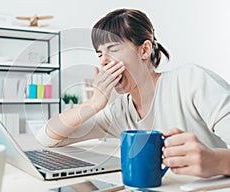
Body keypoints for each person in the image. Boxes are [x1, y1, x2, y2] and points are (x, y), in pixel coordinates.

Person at [35, 8, 230, 178]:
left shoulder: (191, 80)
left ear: (144, 50)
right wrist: (93, 104)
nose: (103, 61)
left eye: (113, 49)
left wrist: (216, 161)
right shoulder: (119, 111)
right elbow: (48, 137)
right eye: (100, 54)